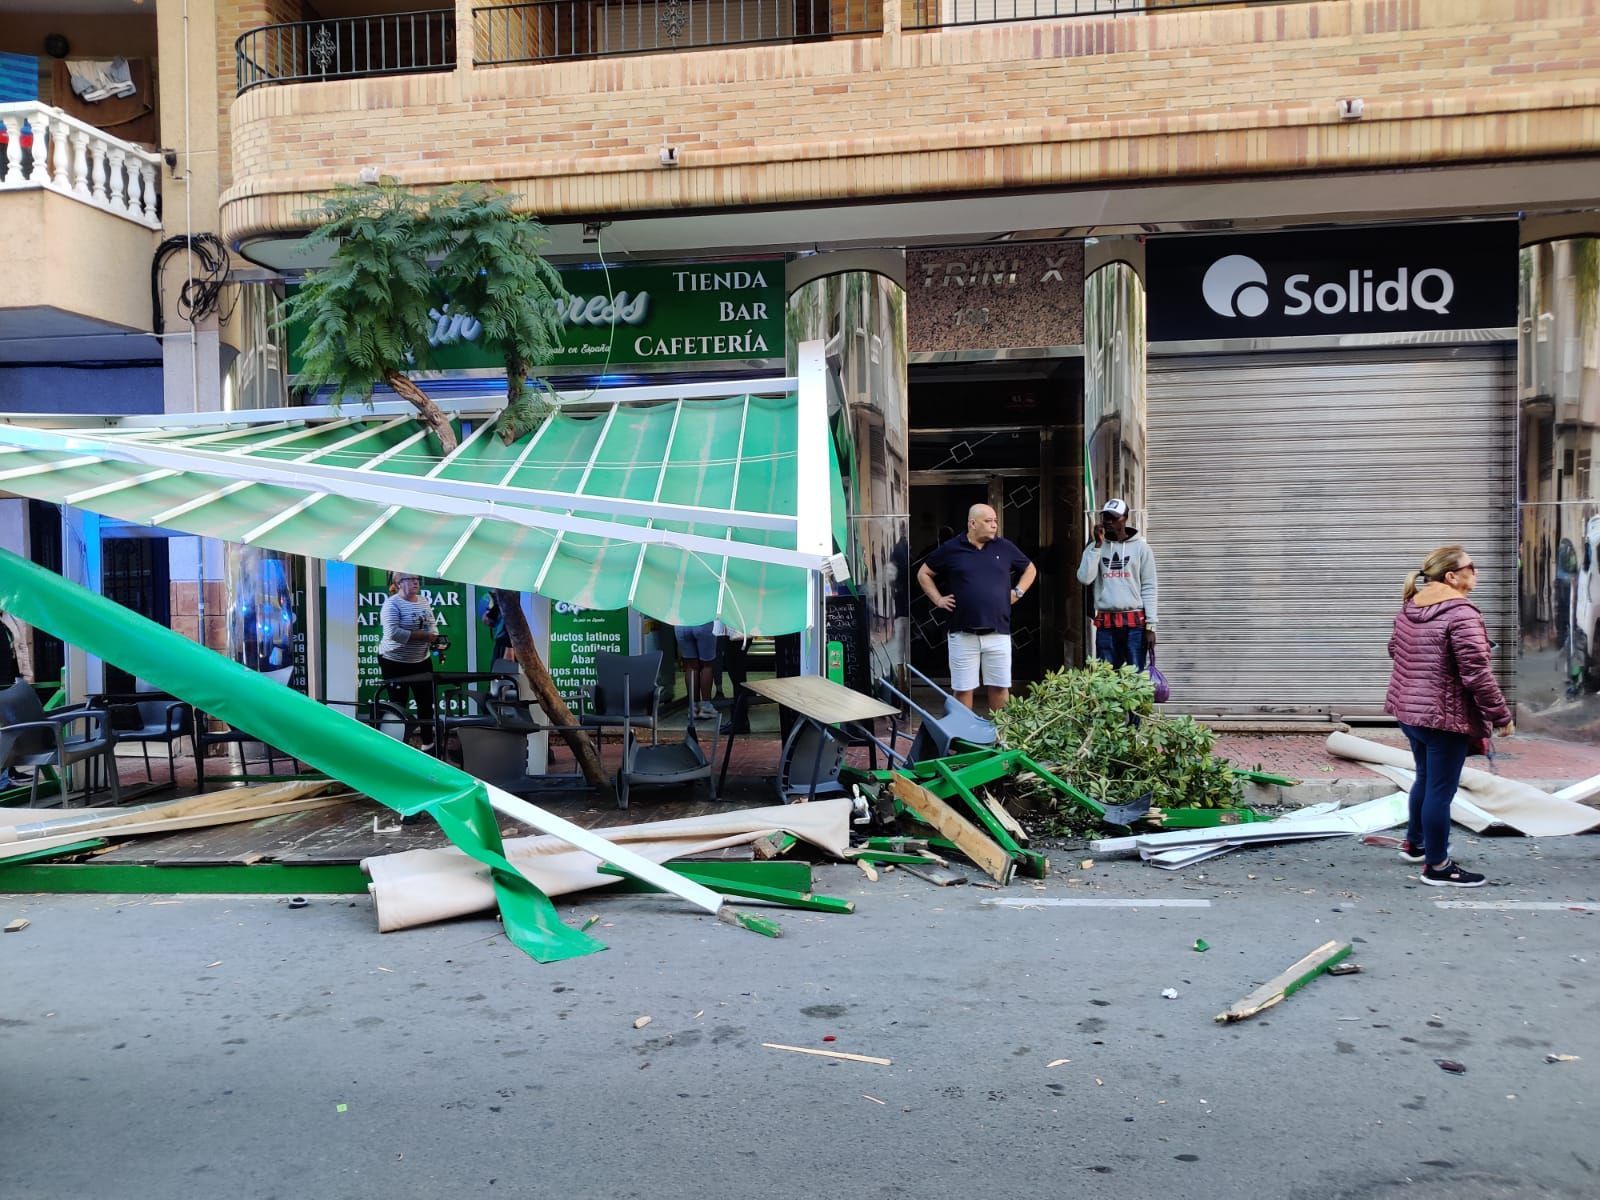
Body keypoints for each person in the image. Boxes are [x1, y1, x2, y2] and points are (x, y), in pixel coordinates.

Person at [1384, 545, 1514, 888]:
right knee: (1441, 790)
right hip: (1444, 717)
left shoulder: (1411, 606)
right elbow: (1477, 674)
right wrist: (1500, 715)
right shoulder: (1461, 614)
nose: (1478, 572)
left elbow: (1395, 649)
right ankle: (1437, 866)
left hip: (1410, 712)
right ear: (1452, 576)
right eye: (1472, 566)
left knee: (1426, 779)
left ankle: (1417, 844)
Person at [916, 503, 1036, 711]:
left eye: (995, 521)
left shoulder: (1004, 547)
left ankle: (1003, 738)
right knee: (963, 689)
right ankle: (965, 739)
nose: (994, 525)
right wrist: (938, 599)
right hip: (963, 633)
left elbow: (1030, 569)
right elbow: (923, 573)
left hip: (998, 631)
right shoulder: (952, 548)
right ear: (972, 523)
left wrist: (1018, 592)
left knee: (1000, 687)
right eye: (988, 521)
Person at [1076, 498, 1158, 670]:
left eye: (1114, 517)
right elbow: (1084, 578)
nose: (1108, 521)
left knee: (1135, 676)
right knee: (1106, 677)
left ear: (1125, 518)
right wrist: (1097, 545)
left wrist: (1151, 626)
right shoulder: (1094, 546)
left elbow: (1149, 587)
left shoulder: (1141, 548)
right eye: (1105, 517)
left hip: (1135, 623)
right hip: (1106, 623)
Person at [378, 572, 442, 751]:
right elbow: (394, 633)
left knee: (426, 704)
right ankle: (398, 748)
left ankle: (428, 745)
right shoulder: (391, 604)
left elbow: (432, 625)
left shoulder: (423, 601)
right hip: (394, 662)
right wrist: (424, 636)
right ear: (399, 583)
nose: (416, 582)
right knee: (398, 706)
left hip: (421, 660)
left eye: (417, 579)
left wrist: (434, 636)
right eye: (411, 579)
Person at [675, 621, 717, 721]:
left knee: (690, 666)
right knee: (707, 666)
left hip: (681, 624)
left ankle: (693, 707)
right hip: (705, 621)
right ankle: (706, 707)